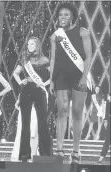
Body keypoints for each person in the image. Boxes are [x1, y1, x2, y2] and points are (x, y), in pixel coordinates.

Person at [50, 2, 92, 164]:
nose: (63, 17)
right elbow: (53, 59)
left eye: (66, 14)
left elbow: (88, 56)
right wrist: (52, 81)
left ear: (72, 16)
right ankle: (59, 148)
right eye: (61, 15)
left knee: (76, 111)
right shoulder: (55, 36)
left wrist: (84, 77)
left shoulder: (83, 32)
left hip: (79, 76)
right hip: (61, 77)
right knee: (61, 110)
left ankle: (76, 149)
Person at [13, 36, 53, 162]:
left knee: (42, 122)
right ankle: (24, 155)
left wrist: (44, 84)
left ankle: (45, 154)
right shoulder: (25, 59)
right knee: (25, 123)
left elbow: (53, 77)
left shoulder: (45, 60)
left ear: (37, 45)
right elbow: (15, 73)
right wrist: (21, 81)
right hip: (26, 91)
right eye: (28, 44)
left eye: (32, 44)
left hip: (39, 91)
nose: (29, 46)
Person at [11, 94, 39, 161]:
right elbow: (18, 102)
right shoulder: (23, 89)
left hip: (33, 112)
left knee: (32, 132)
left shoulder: (37, 88)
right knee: (21, 131)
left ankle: (32, 152)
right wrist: (17, 104)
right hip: (23, 111)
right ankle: (20, 152)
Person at [97, 93, 111, 164]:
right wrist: (105, 121)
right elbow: (107, 111)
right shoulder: (109, 98)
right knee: (108, 139)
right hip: (110, 119)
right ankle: (102, 156)